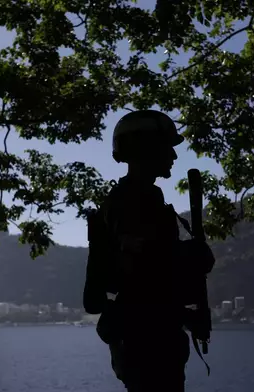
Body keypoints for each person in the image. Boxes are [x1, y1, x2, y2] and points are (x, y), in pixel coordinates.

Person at [83, 110, 213, 392]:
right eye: (168, 148)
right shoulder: (131, 203)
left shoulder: (139, 199)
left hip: (147, 338)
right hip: (146, 344)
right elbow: (146, 273)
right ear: (148, 150)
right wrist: (192, 255)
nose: (174, 157)